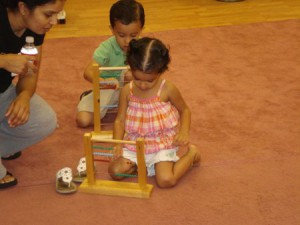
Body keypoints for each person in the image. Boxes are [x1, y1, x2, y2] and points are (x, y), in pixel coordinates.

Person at [108, 37, 201, 188]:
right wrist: (118, 144)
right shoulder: (127, 90)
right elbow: (119, 120)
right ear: (130, 68)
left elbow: (185, 110)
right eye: (137, 79)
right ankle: (142, 166)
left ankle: (192, 155)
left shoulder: (167, 89)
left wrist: (184, 131)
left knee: (165, 180)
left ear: (161, 71)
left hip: (161, 143)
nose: (143, 85)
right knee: (115, 171)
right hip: (134, 143)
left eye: (149, 80)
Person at [0, 0, 66, 189]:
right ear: (23, 8)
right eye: (48, 14)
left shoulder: (34, 30)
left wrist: (23, 96)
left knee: (44, 121)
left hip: (3, 92)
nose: (53, 21)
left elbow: (30, 74)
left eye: (57, 14)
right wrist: (3, 61)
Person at [76, 0, 145, 128]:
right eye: (121, 35)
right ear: (112, 30)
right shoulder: (106, 48)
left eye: (133, 35)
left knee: (130, 76)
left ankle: (127, 107)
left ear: (141, 30)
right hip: (108, 90)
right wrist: (102, 81)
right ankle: (89, 96)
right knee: (83, 120)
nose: (127, 41)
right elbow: (88, 72)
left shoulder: (143, 47)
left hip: (133, 92)